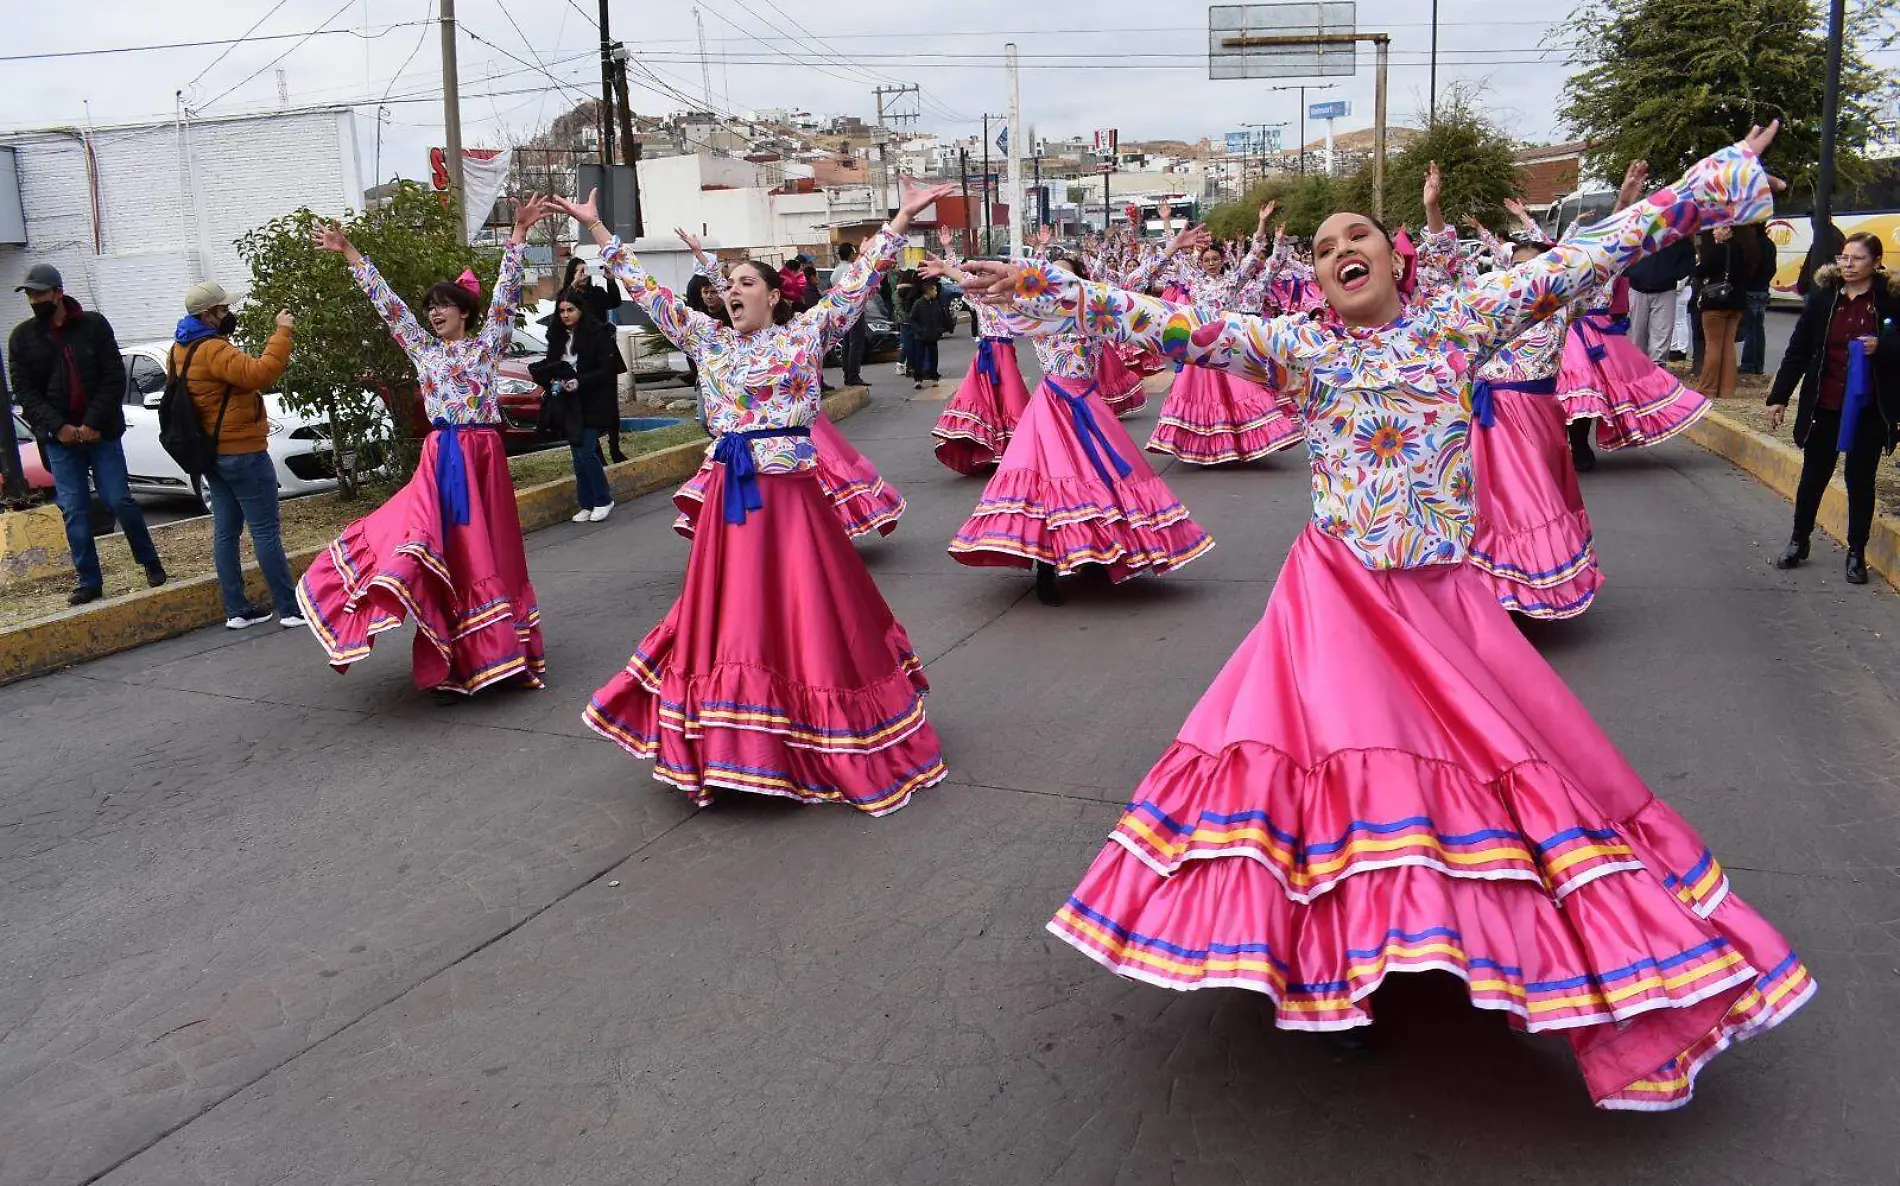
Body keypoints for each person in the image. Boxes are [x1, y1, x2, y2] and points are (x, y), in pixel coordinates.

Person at [962, 125, 1813, 1110]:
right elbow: (1162, 319)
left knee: (1494, 785)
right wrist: (1050, 290)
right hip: (1338, 598)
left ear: (1394, 255)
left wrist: (1712, 180)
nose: (1335, 252)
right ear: (1314, 280)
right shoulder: (1298, 347)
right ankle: (1340, 982)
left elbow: (1598, 250)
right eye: (1319, 248)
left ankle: (1467, 949)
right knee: (1345, 787)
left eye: (1352, 235)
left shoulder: (1459, 324)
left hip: (1447, 601)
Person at [567, 182, 952, 815]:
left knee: (811, 621)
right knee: (734, 622)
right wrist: (603, 235)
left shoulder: (806, 335)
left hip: (794, 504)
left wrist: (903, 216)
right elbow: (647, 293)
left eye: (747, 282)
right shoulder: (708, 341)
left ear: (774, 296)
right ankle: (735, 749)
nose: (733, 291)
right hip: (732, 506)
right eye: (730, 284)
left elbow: (856, 283)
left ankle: (819, 741)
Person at [295, 196, 556, 700]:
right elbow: (388, 306)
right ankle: (454, 647)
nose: (434, 312)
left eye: (443, 305)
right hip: (443, 457)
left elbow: (504, 295)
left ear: (464, 312)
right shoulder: (422, 350)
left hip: (482, 457)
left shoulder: (488, 345)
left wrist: (518, 236)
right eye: (431, 307)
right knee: (437, 547)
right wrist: (350, 253)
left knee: (490, 551)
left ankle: (499, 650)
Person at [948, 254, 1215, 606]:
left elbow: (1133, 286)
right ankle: (1046, 567)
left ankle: (1097, 553)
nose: (1057, 279)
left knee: (1101, 482)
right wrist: (950, 266)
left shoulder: (1095, 313)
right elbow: (985, 292)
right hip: (1051, 404)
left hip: (1087, 401)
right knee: (1047, 482)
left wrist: (1171, 247)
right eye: (1053, 273)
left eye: (1065, 274)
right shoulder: (1031, 313)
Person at [8, 263, 167, 605]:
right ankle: (89, 580)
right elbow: (25, 393)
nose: (35, 300)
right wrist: (59, 427)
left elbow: (113, 376)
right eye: (30, 295)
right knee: (74, 507)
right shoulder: (23, 338)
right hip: (60, 439)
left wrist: (93, 423)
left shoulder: (93, 326)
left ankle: (149, 560)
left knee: (118, 499)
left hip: (102, 433)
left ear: (58, 293)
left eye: (40, 293)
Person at [1468, 241, 1601, 618]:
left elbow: (1601, 265)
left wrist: (1623, 207)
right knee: (1501, 500)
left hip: (1536, 415)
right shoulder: (1492, 308)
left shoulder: (1563, 307)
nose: (1525, 276)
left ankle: (1532, 581)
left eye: (1534, 267)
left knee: (1538, 496)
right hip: (1488, 417)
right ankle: (1491, 588)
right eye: (1518, 268)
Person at [1766, 231, 1900, 584]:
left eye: (1857, 259)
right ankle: (1799, 539)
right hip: (1824, 403)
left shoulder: (1889, 300)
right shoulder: (1823, 299)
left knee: (1860, 481)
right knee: (1813, 476)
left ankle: (1856, 551)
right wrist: (1779, 396)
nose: (1848, 265)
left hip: (1869, 408)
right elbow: (1798, 350)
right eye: (1844, 257)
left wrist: (1881, 346)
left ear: (1875, 262)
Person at [169, 280, 303, 629]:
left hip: (211, 453)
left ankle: (237, 610)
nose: (229, 314)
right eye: (223, 309)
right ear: (207, 315)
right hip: (243, 451)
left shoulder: (179, 348)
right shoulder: (213, 349)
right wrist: (282, 333)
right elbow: (261, 373)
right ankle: (290, 609)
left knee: (226, 532)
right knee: (265, 531)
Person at [928, 231, 1033, 475]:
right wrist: (948, 254)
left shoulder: (1011, 297)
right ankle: (987, 450)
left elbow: (1034, 284)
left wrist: (1037, 252)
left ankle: (1015, 451)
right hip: (985, 354)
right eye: (981, 276)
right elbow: (959, 275)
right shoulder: (978, 297)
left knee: (1010, 400)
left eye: (988, 275)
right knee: (981, 401)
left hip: (1004, 353)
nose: (983, 280)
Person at [530, 289, 627, 524]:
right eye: (561, 311)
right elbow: (554, 364)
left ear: (580, 310)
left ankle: (603, 499)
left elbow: (605, 369)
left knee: (586, 450)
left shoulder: (598, 333)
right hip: (568, 402)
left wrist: (579, 381)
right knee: (577, 454)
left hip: (593, 400)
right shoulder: (556, 336)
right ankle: (587, 502)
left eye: (570, 310)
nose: (565, 315)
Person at [561, 257, 628, 462]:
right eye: (579, 272)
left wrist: (610, 280)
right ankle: (597, 452)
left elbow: (614, 301)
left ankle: (615, 447)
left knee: (610, 403)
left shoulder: (596, 293)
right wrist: (573, 285)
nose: (584, 275)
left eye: (585, 271)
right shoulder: (569, 298)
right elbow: (562, 306)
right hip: (582, 354)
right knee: (588, 404)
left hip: (605, 350)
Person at [1695, 223, 1755, 399]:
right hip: (1736, 302)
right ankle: (1727, 389)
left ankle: (1708, 388)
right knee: (1729, 345)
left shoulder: (1717, 250)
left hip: (1716, 302)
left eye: (1717, 228)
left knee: (1713, 345)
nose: (1714, 231)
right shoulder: (1744, 250)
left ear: (1728, 229)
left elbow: (1699, 271)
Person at [1625, 236, 1696, 362]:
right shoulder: (1637, 228)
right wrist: (1631, 271)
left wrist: (1673, 274)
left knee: (1661, 339)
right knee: (1637, 337)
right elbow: (1622, 251)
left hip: (1665, 289)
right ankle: (1640, 371)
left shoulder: (1675, 232)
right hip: (1638, 288)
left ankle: (1658, 373)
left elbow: (1688, 257)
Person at [1740, 221, 1779, 375]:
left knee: (1750, 328)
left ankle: (1748, 364)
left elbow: (1750, 267)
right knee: (1758, 327)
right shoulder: (1769, 244)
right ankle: (1758, 364)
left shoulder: (1753, 245)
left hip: (1751, 289)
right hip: (1763, 289)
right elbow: (1772, 268)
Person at [907, 275, 952, 389]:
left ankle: (934, 377)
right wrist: (919, 330)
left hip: (933, 335)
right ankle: (918, 379)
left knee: (933, 357)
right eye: (934, 290)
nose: (936, 292)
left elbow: (940, 317)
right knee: (919, 357)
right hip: (921, 336)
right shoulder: (918, 303)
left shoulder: (935, 303)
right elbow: (912, 318)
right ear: (928, 291)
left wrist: (939, 330)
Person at [835, 240, 870, 387]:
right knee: (856, 343)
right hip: (854, 309)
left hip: (841, 311)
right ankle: (854, 375)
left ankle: (847, 374)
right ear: (850, 254)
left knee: (846, 344)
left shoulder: (836, 271)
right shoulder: (853, 269)